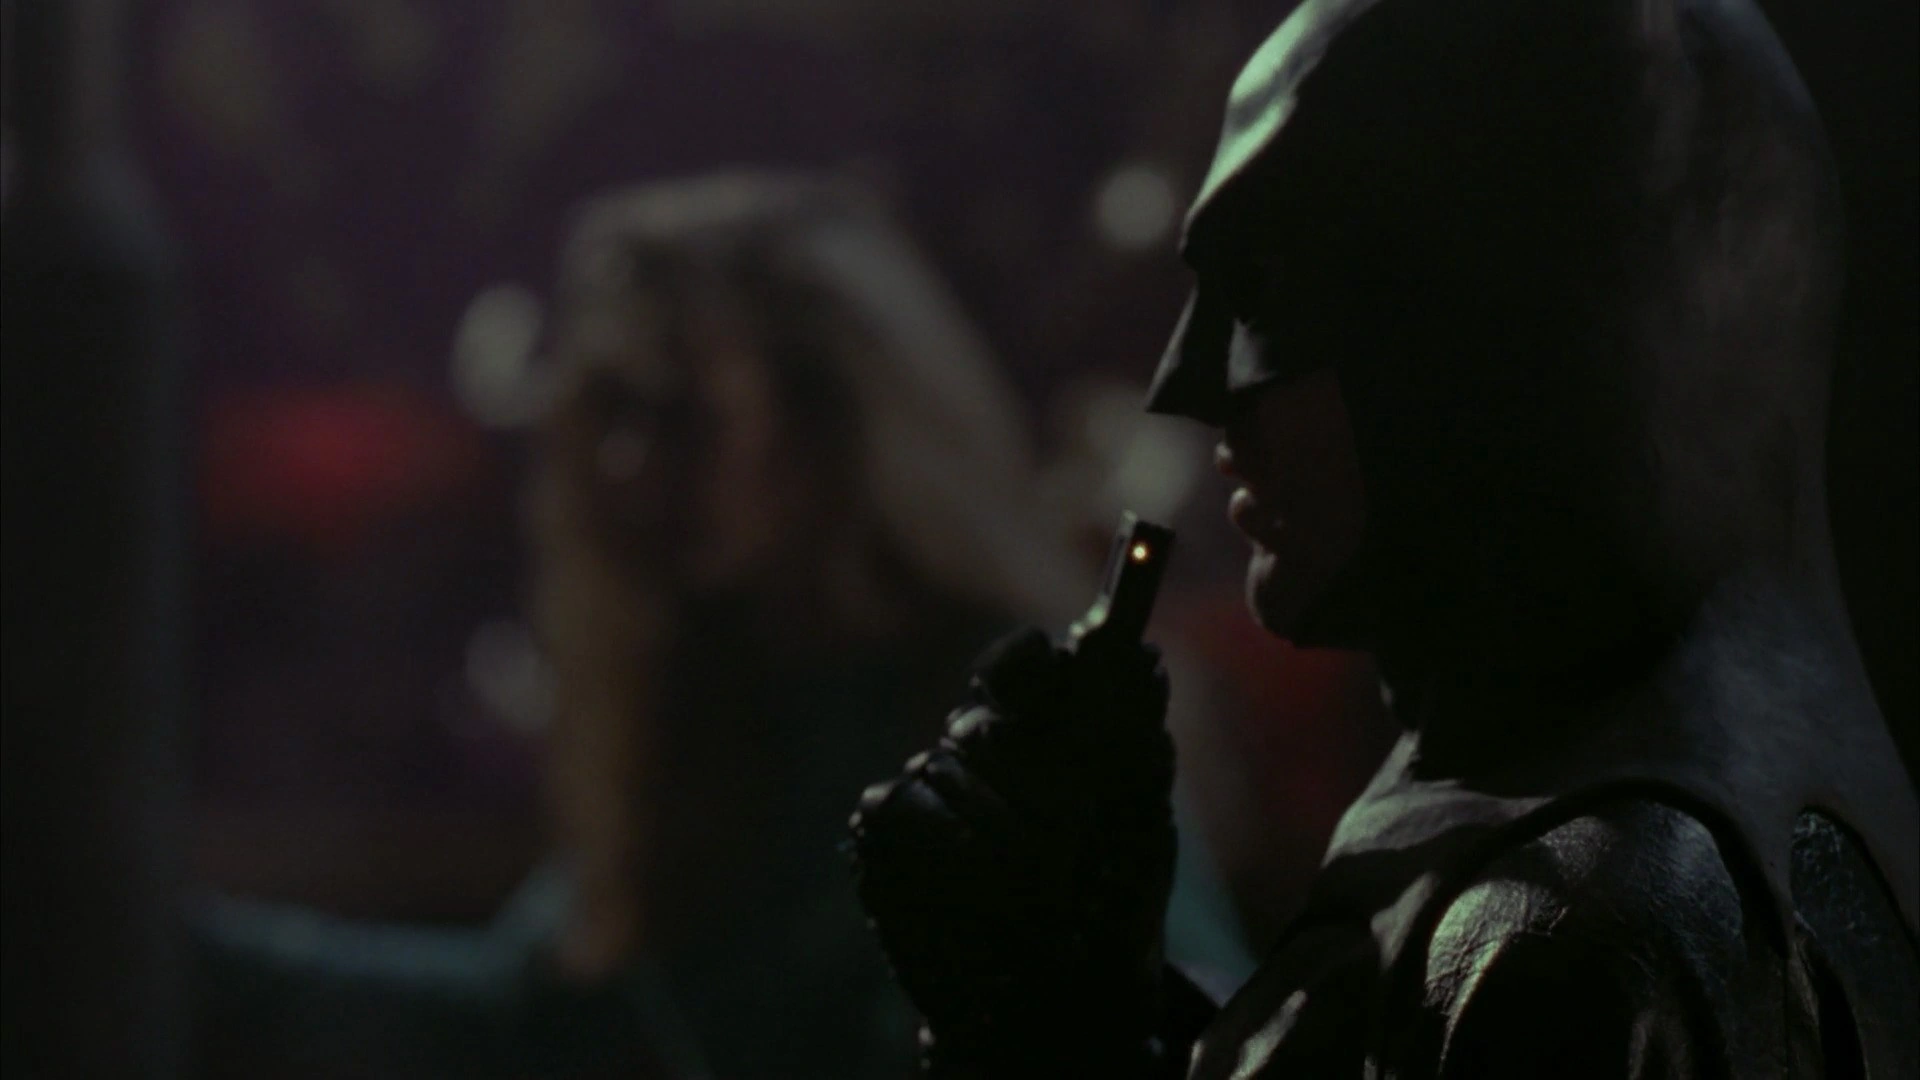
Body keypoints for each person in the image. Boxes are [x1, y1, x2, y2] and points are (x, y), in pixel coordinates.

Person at [846, 1, 1920, 1077]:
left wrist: (1041, 1033)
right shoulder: (1600, 829)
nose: (1193, 383)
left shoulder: (1571, 934)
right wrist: (1105, 995)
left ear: (1496, 319)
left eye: (1269, 290)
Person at [190, 173, 1253, 1078]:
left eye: (680, 414)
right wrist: (174, 948)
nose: (627, 464)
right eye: (609, 409)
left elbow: (1177, 1027)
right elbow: (539, 1017)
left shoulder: (1014, 697)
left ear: (829, 418)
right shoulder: (713, 702)